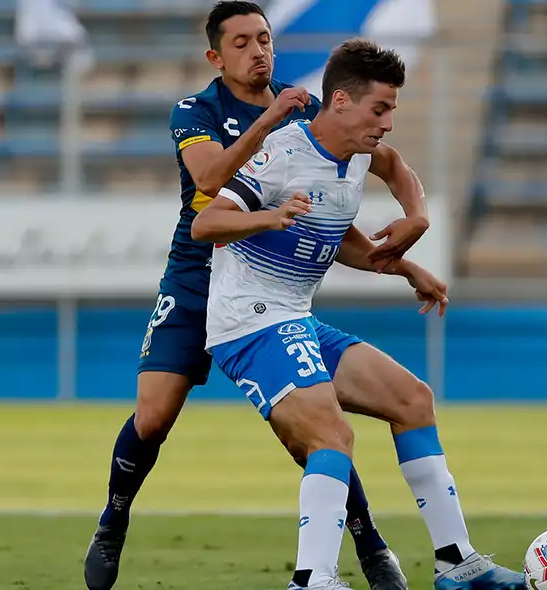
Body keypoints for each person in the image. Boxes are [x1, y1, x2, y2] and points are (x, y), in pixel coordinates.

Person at [84, 3, 418, 590]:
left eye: (264, 38)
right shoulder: (196, 110)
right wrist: (267, 125)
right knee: (155, 415)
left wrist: (409, 237)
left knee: (312, 429)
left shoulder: (306, 108)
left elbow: (381, 164)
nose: (258, 50)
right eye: (241, 42)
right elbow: (211, 181)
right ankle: (113, 520)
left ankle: (368, 541)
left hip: (266, 287)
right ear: (215, 56)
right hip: (197, 277)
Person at [192, 38, 527, 590]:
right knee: (331, 434)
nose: (389, 123)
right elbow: (208, 224)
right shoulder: (283, 152)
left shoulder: (360, 154)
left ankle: (456, 563)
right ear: (341, 101)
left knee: (412, 399)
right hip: (249, 322)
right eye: (381, 108)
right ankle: (312, 580)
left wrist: (409, 241)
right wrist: (270, 217)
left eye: (392, 109)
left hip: (295, 318)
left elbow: (398, 172)